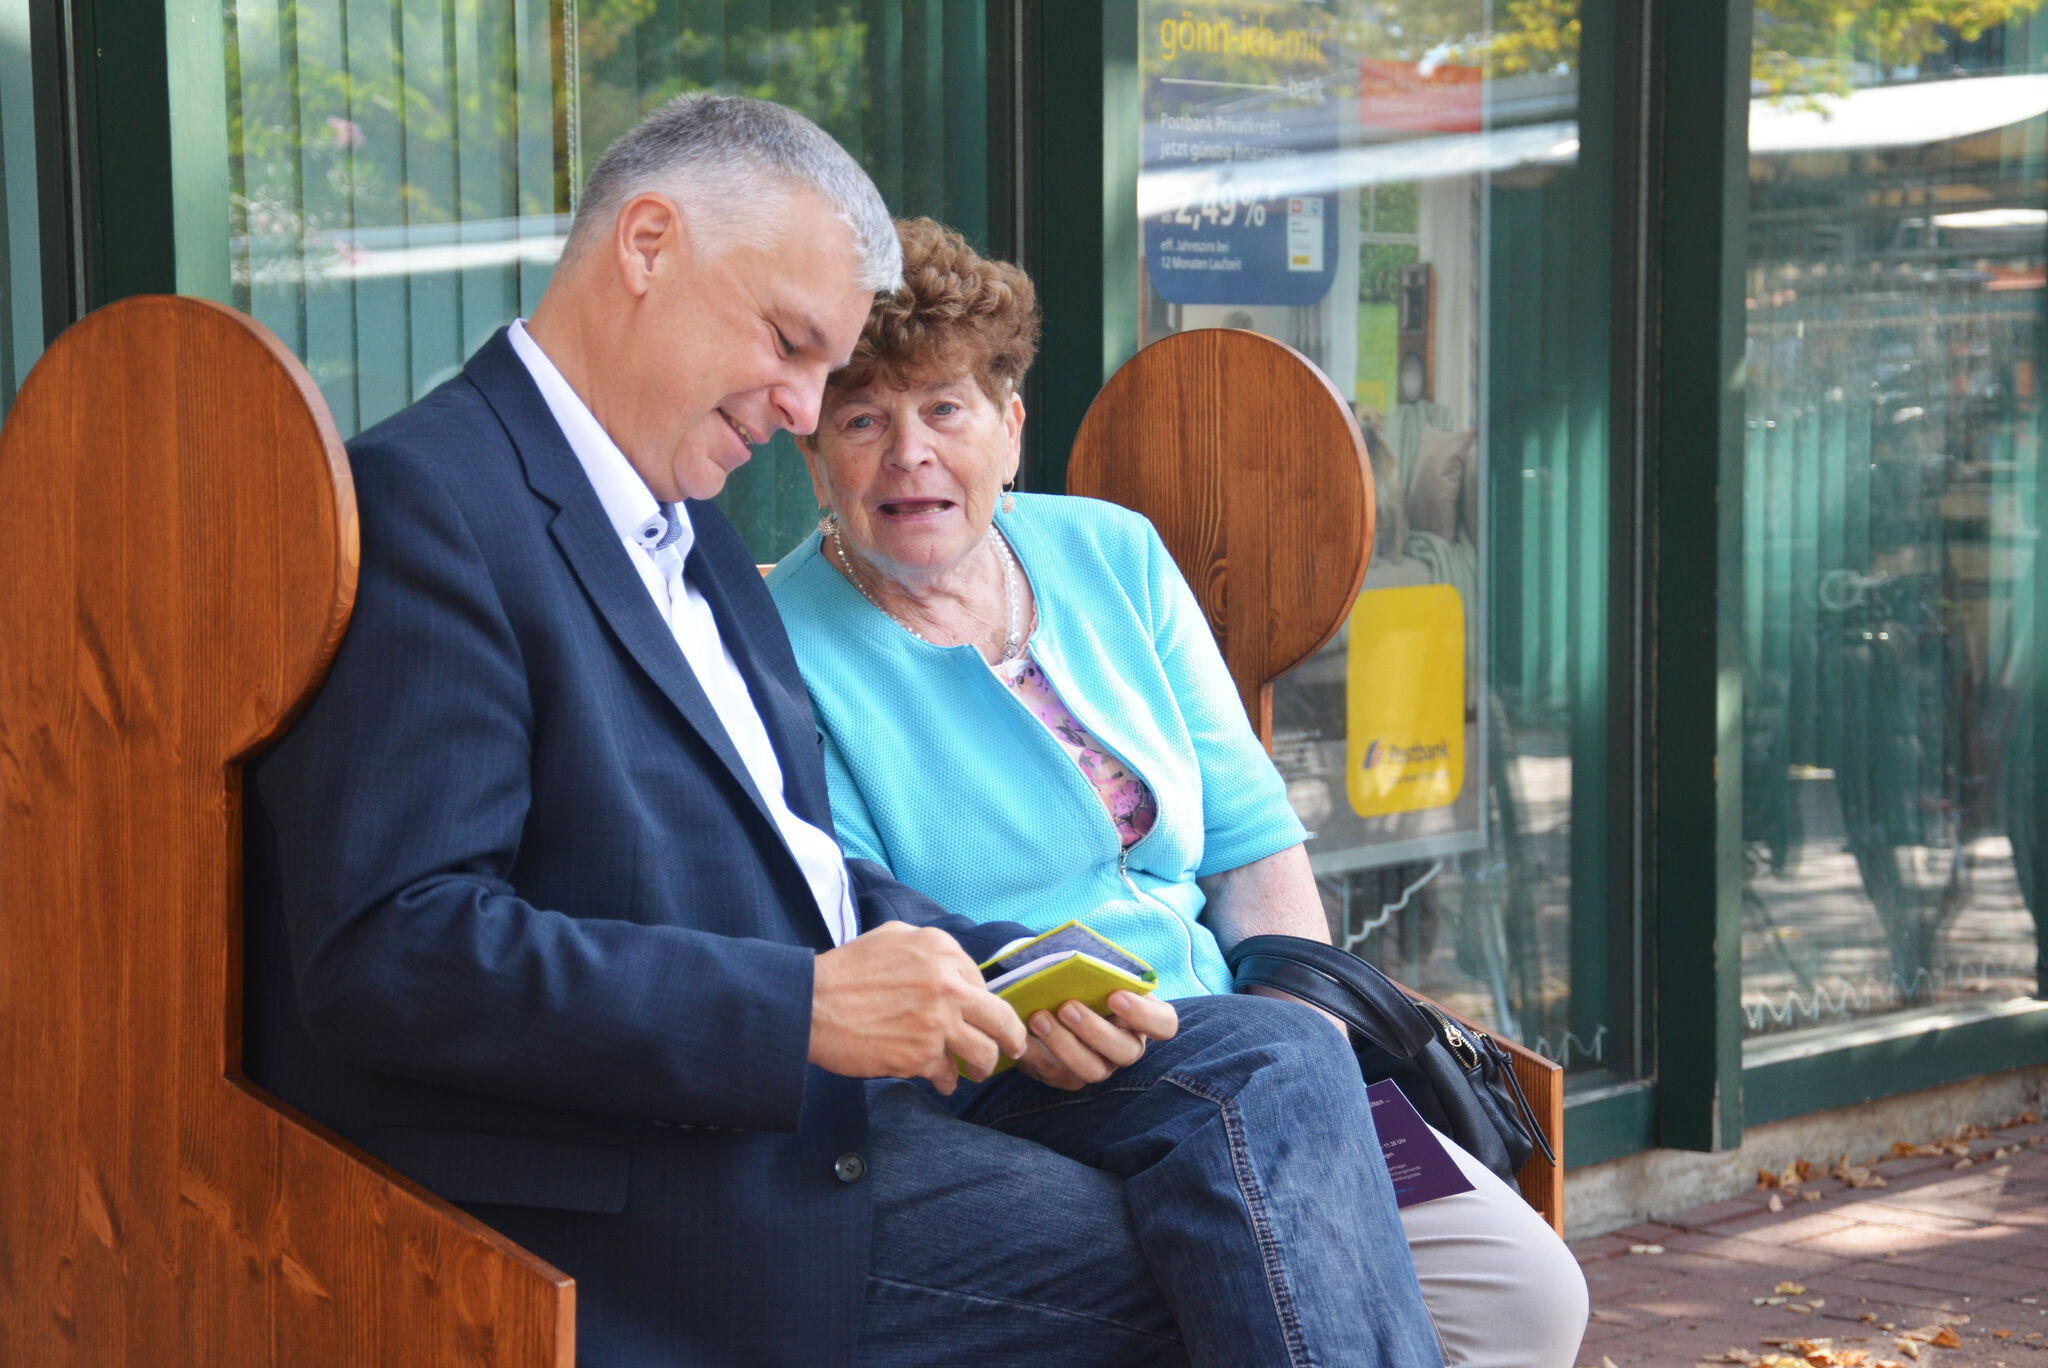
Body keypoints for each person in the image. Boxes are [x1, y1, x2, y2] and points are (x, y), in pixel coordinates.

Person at [244, 95, 1444, 1368]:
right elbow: (393, 953)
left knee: (1273, 1060)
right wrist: (798, 1010)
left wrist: (999, 970)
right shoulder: (428, 507)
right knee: (1233, 1243)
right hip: (653, 1179)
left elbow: (797, 867)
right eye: (790, 343)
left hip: (827, 1100)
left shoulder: (684, 523)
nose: (810, 415)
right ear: (646, 245)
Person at [767, 217, 1591, 1368]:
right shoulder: (774, 646)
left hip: (1232, 1042)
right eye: (863, 419)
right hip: (1008, 1072)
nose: (909, 453)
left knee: (1520, 1301)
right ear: (811, 453)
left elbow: (1251, 847)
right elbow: (861, 914)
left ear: (1007, 428)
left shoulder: (1113, 554)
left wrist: (1300, 1039)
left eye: (943, 409)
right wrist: (1027, 1022)